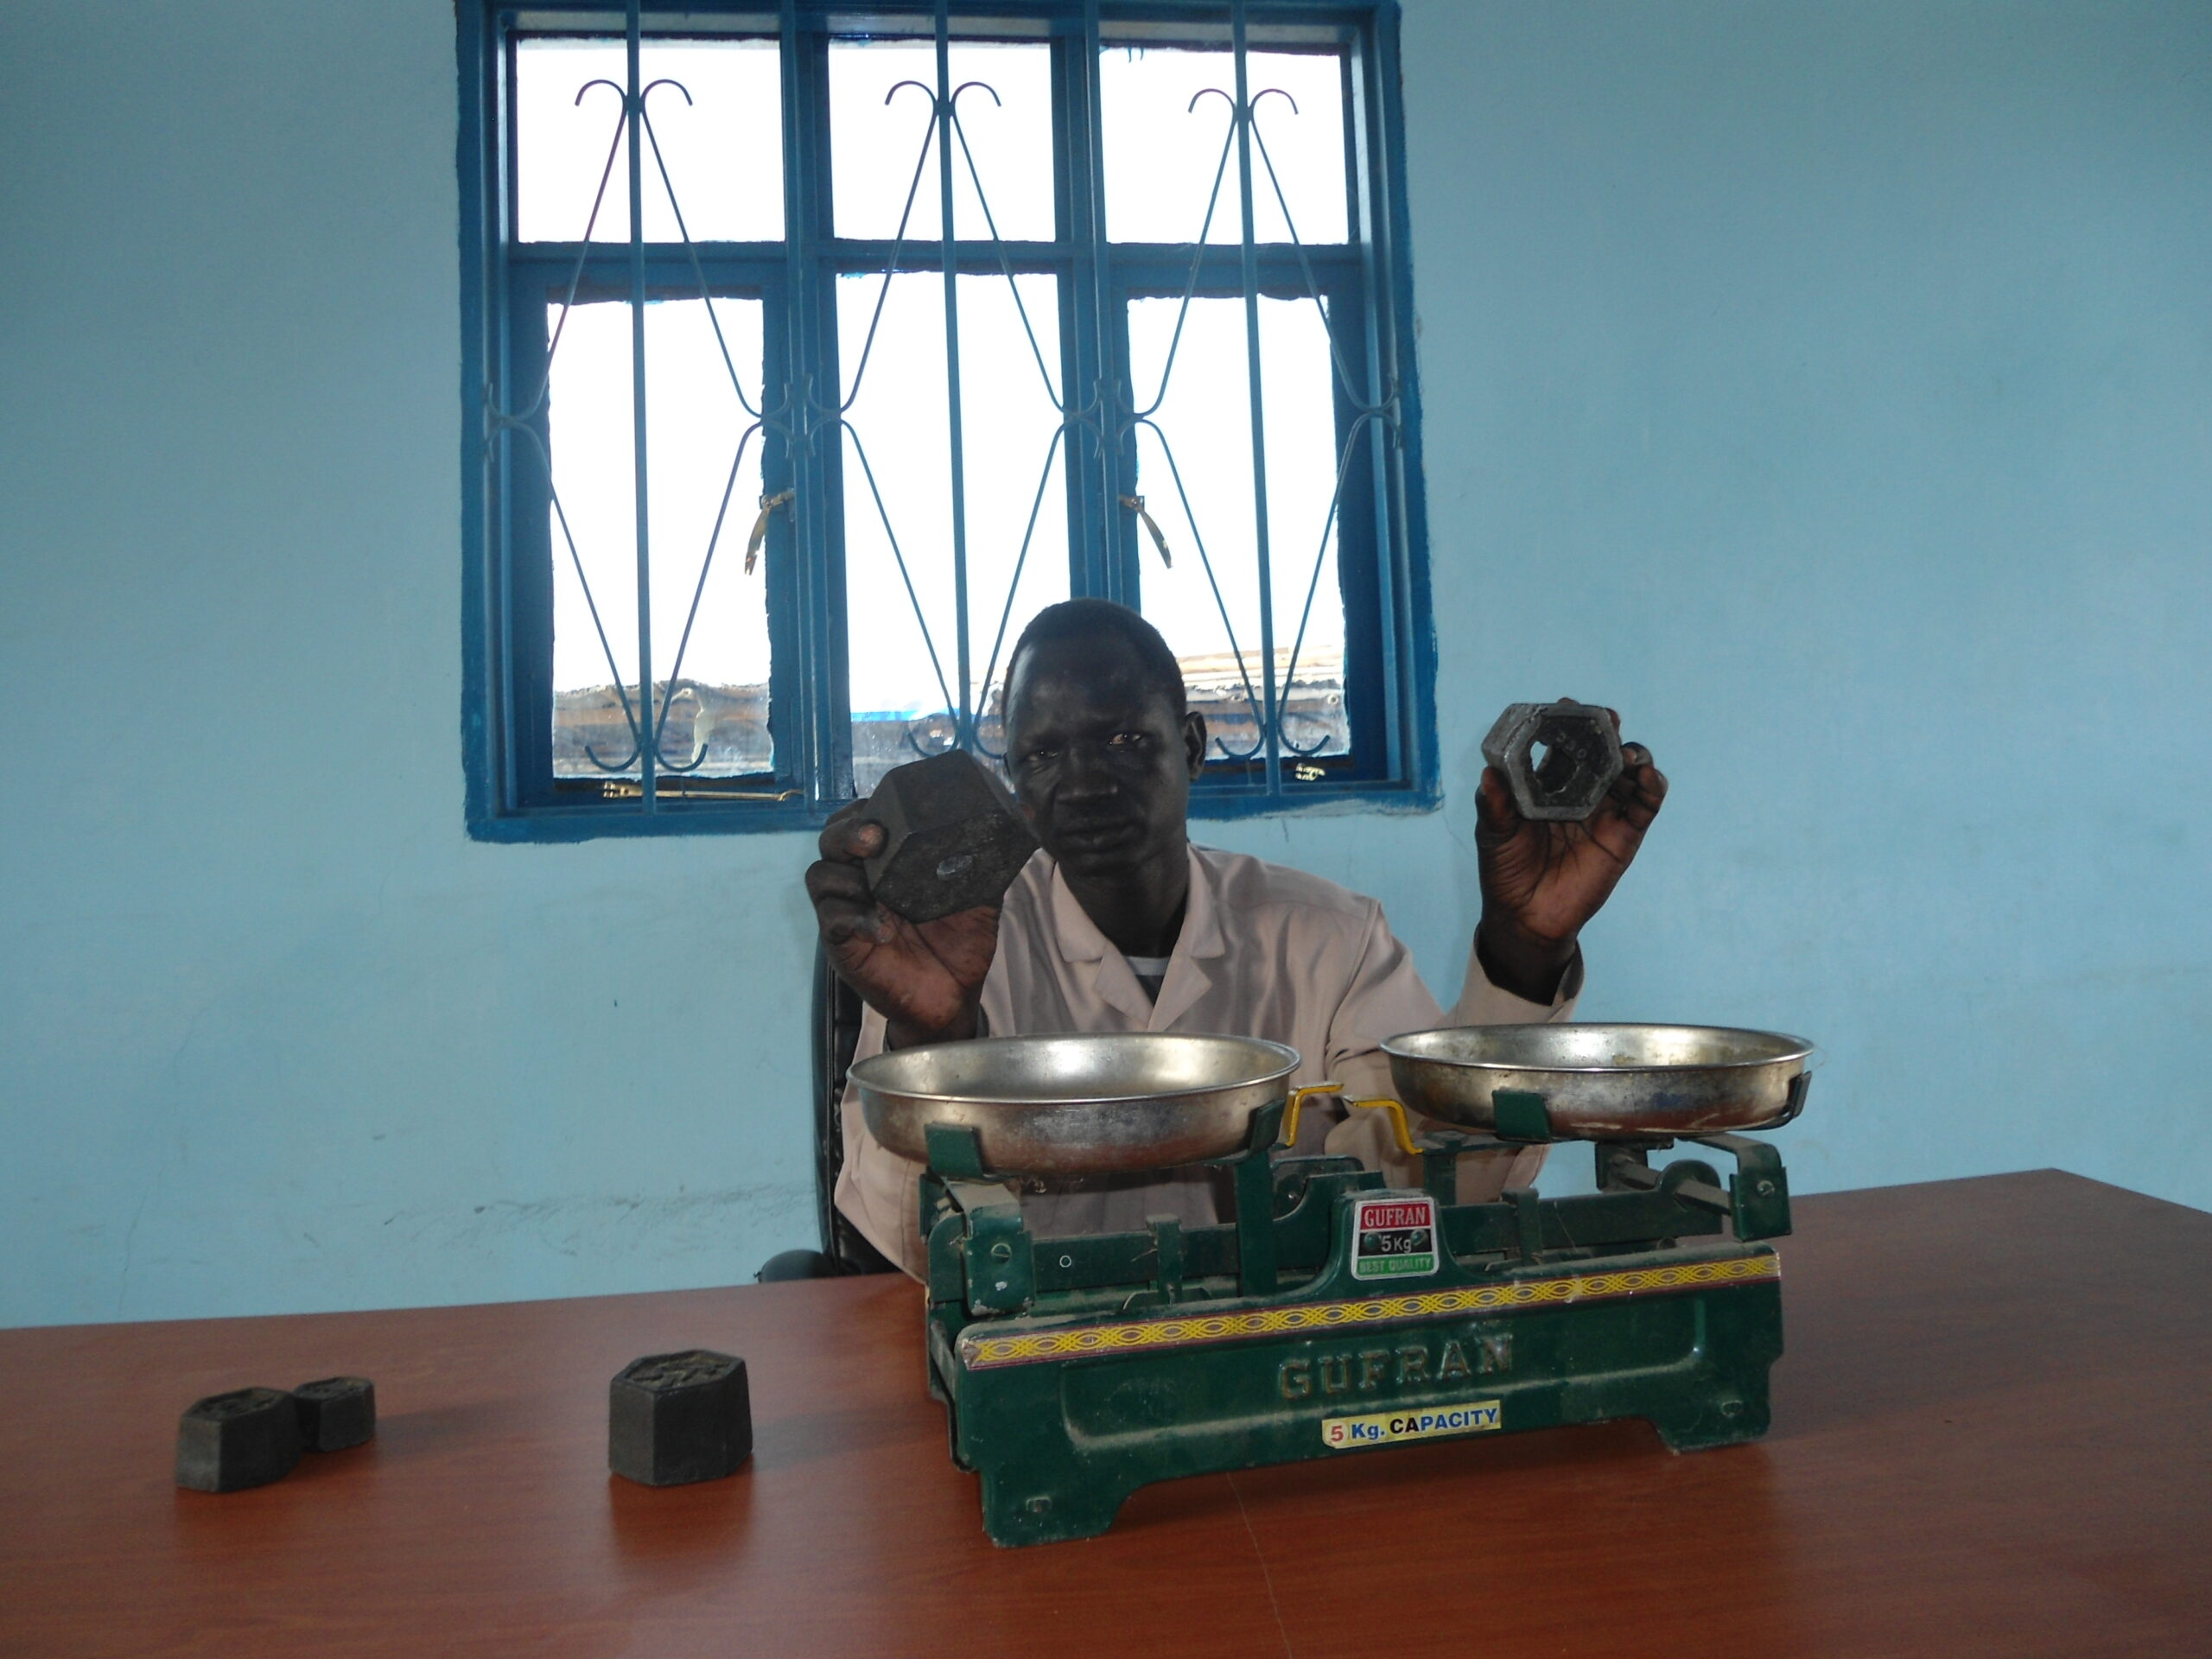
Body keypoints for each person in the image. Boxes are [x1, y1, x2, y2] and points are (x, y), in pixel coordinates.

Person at [805, 600, 1667, 1278]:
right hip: (1040, 1353)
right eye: (1043, 756)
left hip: (1281, 1346)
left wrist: (1523, 948)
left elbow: (1436, 1193)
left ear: (1190, 746)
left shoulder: (1329, 939)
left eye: (1122, 740)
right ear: (1016, 788)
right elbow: (906, 1250)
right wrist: (934, 1042)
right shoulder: (957, 954)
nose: (1086, 783)